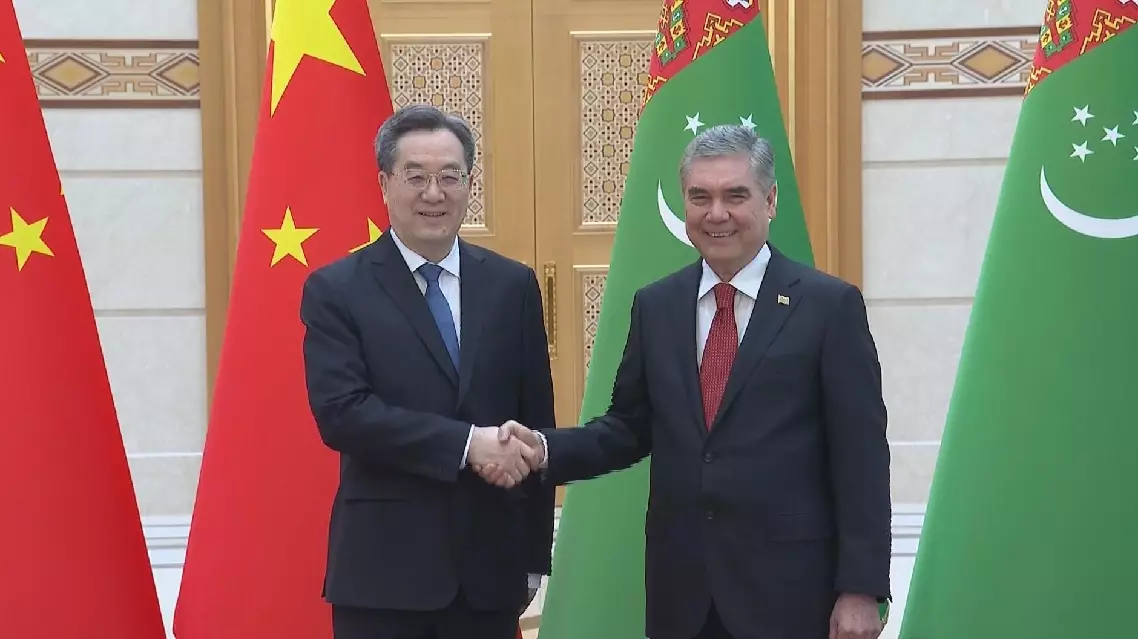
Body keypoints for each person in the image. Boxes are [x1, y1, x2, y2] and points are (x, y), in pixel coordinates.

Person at [479, 125, 891, 639]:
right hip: (684, 596)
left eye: (735, 196)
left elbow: (861, 456)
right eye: (700, 197)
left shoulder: (828, 306)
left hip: (790, 594)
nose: (716, 214)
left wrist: (860, 589)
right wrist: (542, 449)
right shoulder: (657, 305)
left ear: (770, 200)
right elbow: (628, 428)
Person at [300, 104, 554, 639]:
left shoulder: (512, 286)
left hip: (489, 574)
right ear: (385, 184)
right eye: (415, 177)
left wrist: (534, 554)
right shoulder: (337, 290)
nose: (433, 194)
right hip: (383, 576)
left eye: (449, 177)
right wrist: (467, 444)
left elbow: (534, 422)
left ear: (469, 184)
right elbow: (343, 415)